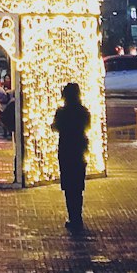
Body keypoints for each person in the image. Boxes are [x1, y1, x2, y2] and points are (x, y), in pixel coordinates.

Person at [52, 82, 91, 234]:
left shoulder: (62, 112)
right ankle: (78, 217)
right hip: (79, 148)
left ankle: (72, 217)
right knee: (77, 185)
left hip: (66, 149)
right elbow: (87, 126)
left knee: (68, 186)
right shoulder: (83, 111)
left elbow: (56, 127)